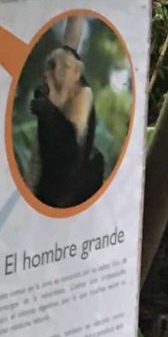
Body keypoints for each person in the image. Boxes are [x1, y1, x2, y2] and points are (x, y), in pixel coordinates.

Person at [31, 20, 105, 207]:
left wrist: (48, 114)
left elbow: (69, 151)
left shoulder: (82, 94)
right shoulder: (55, 90)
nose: (52, 73)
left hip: (68, 186)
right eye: (51, 66)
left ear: (76, 72)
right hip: (51, 181)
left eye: (60, 67)